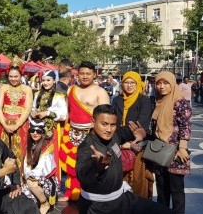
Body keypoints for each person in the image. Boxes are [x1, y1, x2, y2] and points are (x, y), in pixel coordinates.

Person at [76, 104, 173, 214]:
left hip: (122, 199)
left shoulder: (115, 135)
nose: (109, 129)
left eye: (112, 125)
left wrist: (142, 134)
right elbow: (81, 173)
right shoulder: (87, 147)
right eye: (104, 124)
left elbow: (129, 131)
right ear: (93, 122)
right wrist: (97, 167)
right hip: (98, 207)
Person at [59, 61, 110, 201]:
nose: (85, 76)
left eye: (88, 73)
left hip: (91, 134)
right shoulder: (71, 89)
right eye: (82, 73)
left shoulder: (101, 92)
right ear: (77, 75)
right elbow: (67, 112)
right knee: (72, 164)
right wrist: (64, 130)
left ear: (94, 74)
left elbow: (106, 118)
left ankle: (88, 193)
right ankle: (71, 191)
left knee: (89, 165)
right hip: (72, 132)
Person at [152, 71, 192, 214]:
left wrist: (182, 148)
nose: (162, 87)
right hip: (160, 151)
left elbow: (185, 126)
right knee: (162, 189)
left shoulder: (180, 102)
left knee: (176, 190)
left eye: (165, 83)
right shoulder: (158, 101)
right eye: (159, 83)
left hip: (175, 152)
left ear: (172, 84)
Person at [112, 71, 153, 199]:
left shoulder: (144, 101)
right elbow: (112, 120)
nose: (129, 85)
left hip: (136, 144)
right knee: (116, 178)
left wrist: (119, 137)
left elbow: (140, 125)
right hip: (118, 142)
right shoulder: (117, 99)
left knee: (136, 182)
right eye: (126, 82)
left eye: (132, 83)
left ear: (138, 84)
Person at [0, 56, 33, 169]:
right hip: (4, 123)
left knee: (20, 151)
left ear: (21, 75)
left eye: (16, 76)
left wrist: (17, 124)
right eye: (11, 76)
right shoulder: (3, 88)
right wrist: (4, 124)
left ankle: (19, 179)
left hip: (21, 124)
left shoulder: (27, 89)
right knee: (2, 151)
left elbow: (27, 109)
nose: (13, 79)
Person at [31, 70, 67, 180]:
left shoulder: (59, 95)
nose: (45, 83)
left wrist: (47, 113)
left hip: (51, 130)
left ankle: (50, 179)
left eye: (48, 80)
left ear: (54, 81)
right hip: (37, 129)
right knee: (37, 153)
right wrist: (33, 112)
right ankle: (37, 178)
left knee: (49, 156)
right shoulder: (37, 94)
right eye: (43, 80)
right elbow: (33, 108)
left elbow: (63, 115)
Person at [22, 119, 59, 214]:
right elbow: (25, 166)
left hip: (45, 180)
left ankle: (44, 203)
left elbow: (44, 170)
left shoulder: (47, 146)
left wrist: (29, 178)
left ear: (43, 132)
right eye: (32, 130)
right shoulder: (28, 145)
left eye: (38, 131)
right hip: (29, 178)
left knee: (31, 183)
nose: (35, 133)